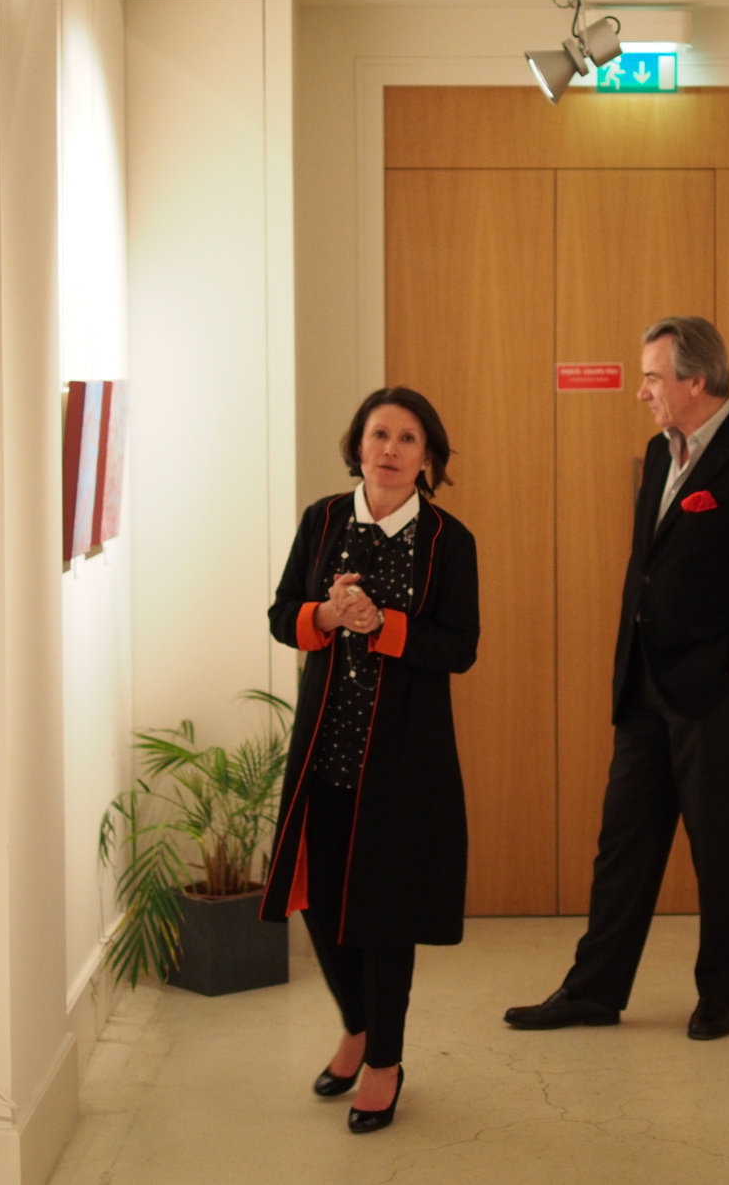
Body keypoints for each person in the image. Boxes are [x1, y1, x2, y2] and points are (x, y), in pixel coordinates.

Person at [506, 316, 729, 1041]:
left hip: (711, 691)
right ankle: (593, 991)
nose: (641, 391)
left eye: (651, 377)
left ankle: (719, 995)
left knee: (713, 844)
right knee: (623, 842)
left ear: (695, 381)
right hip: (643, 681)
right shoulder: (657, 451)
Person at [258, 387, 479, 1133]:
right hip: (325, 747)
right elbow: (282, 614)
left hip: (403, 757)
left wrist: (383, 625)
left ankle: (384, 1060)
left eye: (408, 438)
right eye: (379, 434)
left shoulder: (449, 540)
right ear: (358, 445)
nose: (390, 449)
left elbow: (460, 647)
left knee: (385, 914)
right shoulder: (322, 519)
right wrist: (325, 614)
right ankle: (355, 1026)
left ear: (427, 457)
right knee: (320, 902)